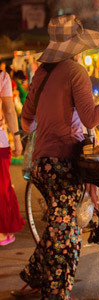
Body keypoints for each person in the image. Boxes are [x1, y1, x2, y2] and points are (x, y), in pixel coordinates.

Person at [18, 14, 99, 299]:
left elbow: (25, 122)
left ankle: (34, 274)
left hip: (41, 166)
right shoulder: (75, 72)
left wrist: (49, 121)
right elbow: (91, 118)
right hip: (63, 165)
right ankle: (56, 294)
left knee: (60, 224)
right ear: (76, 46)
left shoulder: (41, 74)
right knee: (67, 236)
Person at [0, 64, 24, 246]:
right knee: (2, 186)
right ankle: (2, 232)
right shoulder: (2, 77)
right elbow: (9, 110)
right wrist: (17, 138)